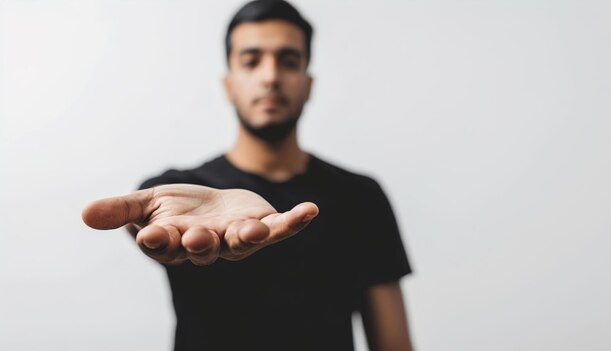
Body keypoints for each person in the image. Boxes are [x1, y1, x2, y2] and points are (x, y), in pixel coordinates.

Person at [82, 1, 413, 350]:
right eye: (251, 61)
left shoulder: (360, 196)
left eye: (288, 61)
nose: (270, 77)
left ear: (308, 84)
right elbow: (146, 222)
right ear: (229, 85)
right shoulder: (180, 193)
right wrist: (148, 223)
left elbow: (393, 342)